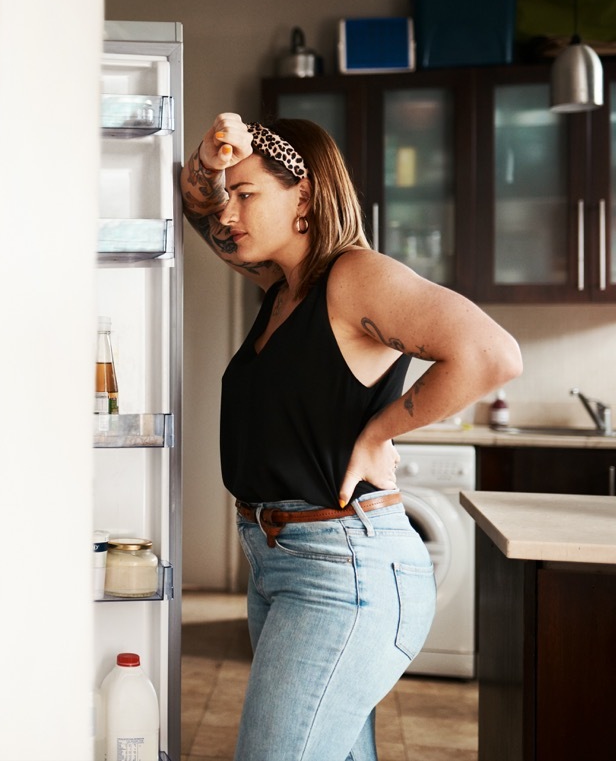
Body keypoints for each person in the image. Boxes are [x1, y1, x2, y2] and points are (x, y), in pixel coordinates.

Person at [179, 113, 522, 761]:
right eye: (230, 197)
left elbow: (490, 353)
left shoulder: (353, 275)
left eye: (247, 194)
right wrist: (209, 160)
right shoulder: (280, 289)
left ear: (303, 194)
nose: (230, 213)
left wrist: (380, 431)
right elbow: (198, 209)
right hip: (279, 562)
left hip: (343, 569)